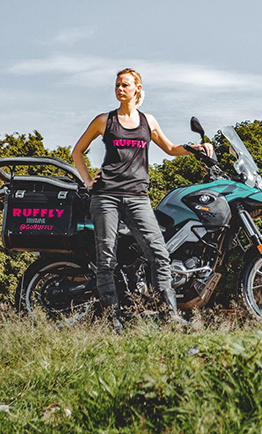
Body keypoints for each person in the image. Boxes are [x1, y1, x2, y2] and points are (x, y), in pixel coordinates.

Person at [72, 68, 213, 331]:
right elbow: (77, 151)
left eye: (125, 85)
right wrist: (88, 181)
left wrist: (196, 148)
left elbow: (170, 149)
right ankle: (112, 320)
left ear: (137, 88)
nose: (119, 89)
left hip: (138, 197)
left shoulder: (148, 121)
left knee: (159, 254)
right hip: (106, 197)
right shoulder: (104, 120)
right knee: (106, 258)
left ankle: (169, 314)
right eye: (117, 85)